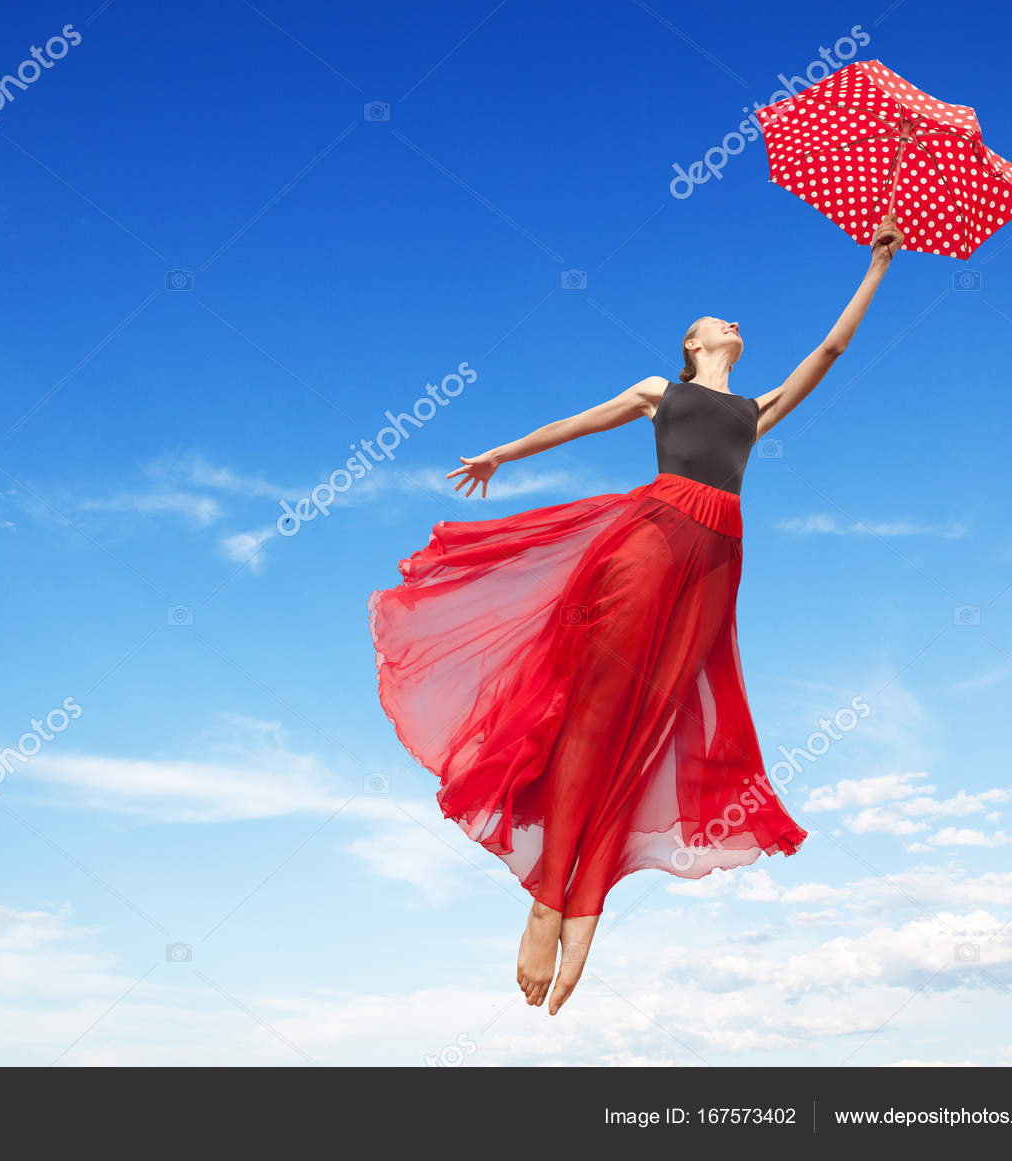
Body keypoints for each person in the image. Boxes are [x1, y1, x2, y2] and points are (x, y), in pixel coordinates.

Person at [369, 213, 906, 1015]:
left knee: (650, 724)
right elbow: (579, 422)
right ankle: (549, 901)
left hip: (717, 560)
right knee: (597, 713)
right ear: (691, 345)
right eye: (714, 320)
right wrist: (499, 455)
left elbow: (828, 354)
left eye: (728, 320)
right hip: (652, 544)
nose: (731, 321)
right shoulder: (664, 391)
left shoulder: (755, 411)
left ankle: (587, 909)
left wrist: (878, 268)